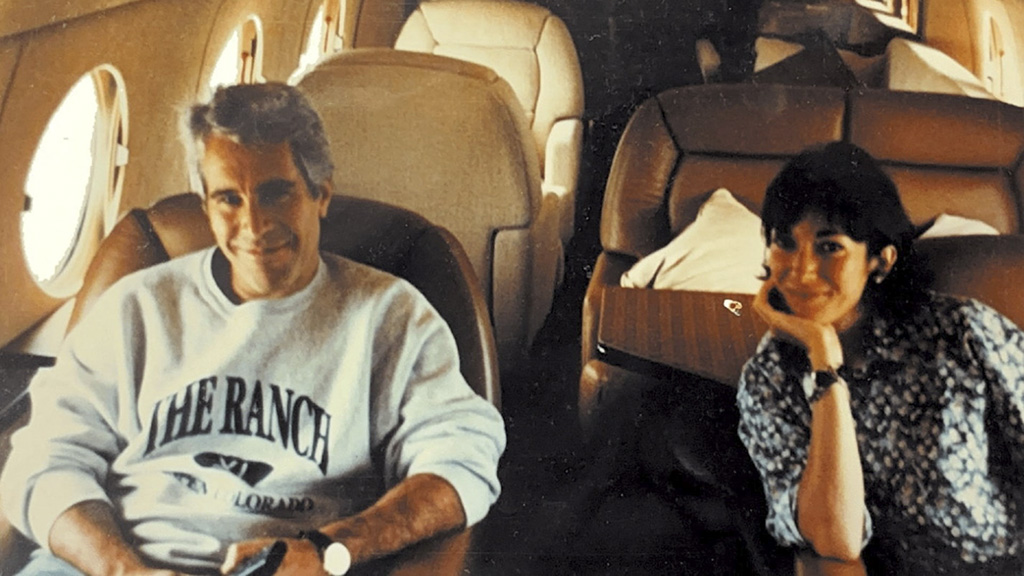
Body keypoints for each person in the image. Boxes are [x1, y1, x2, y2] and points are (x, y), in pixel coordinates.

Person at [0, 82, 506, 576]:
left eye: (275, 193)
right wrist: (123, 569)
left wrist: (330, 549)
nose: (254, 224)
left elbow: (462, 460)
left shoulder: (391, 317)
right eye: (229, 199)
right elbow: (44, 460)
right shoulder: (136, 307)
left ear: (321, 193)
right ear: (205, 207)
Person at [737, 142, 1024, 574]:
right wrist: (824, 363)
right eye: (785, 242)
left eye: (829, 247)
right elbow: (836, 536)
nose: (801, 271)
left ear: (880, 261)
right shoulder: (769, 378)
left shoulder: (962, 332)